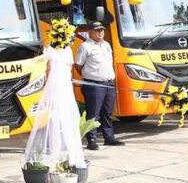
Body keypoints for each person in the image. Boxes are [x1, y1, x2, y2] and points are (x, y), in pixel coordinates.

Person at [22, 19, 86, 171]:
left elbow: (47, 71)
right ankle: (66, 153)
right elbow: (68, 70)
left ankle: (55, 152)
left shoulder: (48, 51)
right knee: (64, 118)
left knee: (53, 117)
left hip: (54, 87)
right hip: (64, 88)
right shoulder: (67, 52)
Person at [75, 21, 124, 150]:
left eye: (102, 30)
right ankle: (91, 140)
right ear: (90, 32)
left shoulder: (106, 45)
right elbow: (78, 65)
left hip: (108, 83)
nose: (100, 32)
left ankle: (109, 137)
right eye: (97, 30)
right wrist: (91, 76)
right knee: (93, 113)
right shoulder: (85, 47)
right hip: (94, 84)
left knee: (107, 112)